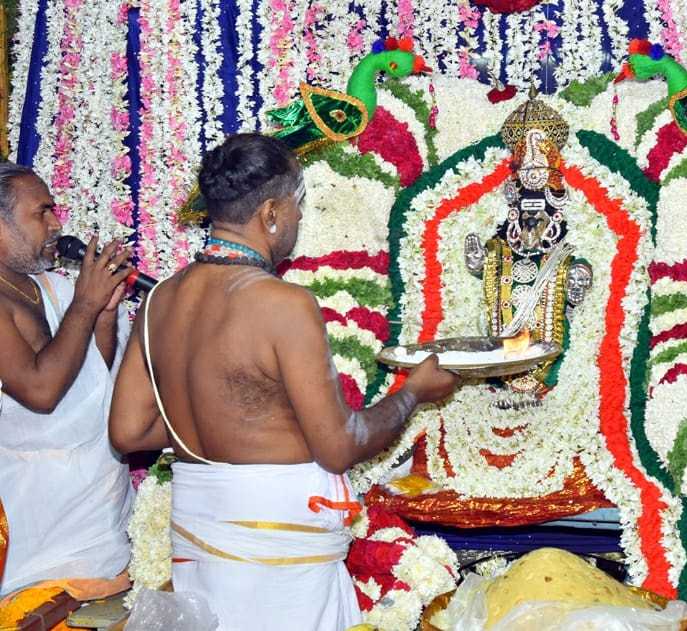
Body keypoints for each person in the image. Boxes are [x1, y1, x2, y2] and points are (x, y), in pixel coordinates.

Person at [109, 133, 459, 630]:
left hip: (200, 551)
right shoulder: (283, 305)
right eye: (299, 204)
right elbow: (341, 446)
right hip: (280, 571)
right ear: (271, 213)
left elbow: (127, 431)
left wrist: (232, 420)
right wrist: (413, 394)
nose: (299, 219)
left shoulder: (159, 300)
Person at [0, 163, 134, 595]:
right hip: (37, 530)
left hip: (98, 517)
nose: (58, 223)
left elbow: (93, 374)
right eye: (42, 213)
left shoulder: (47, 285)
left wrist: (104, 312)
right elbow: (41, 392)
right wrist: (84, 305)